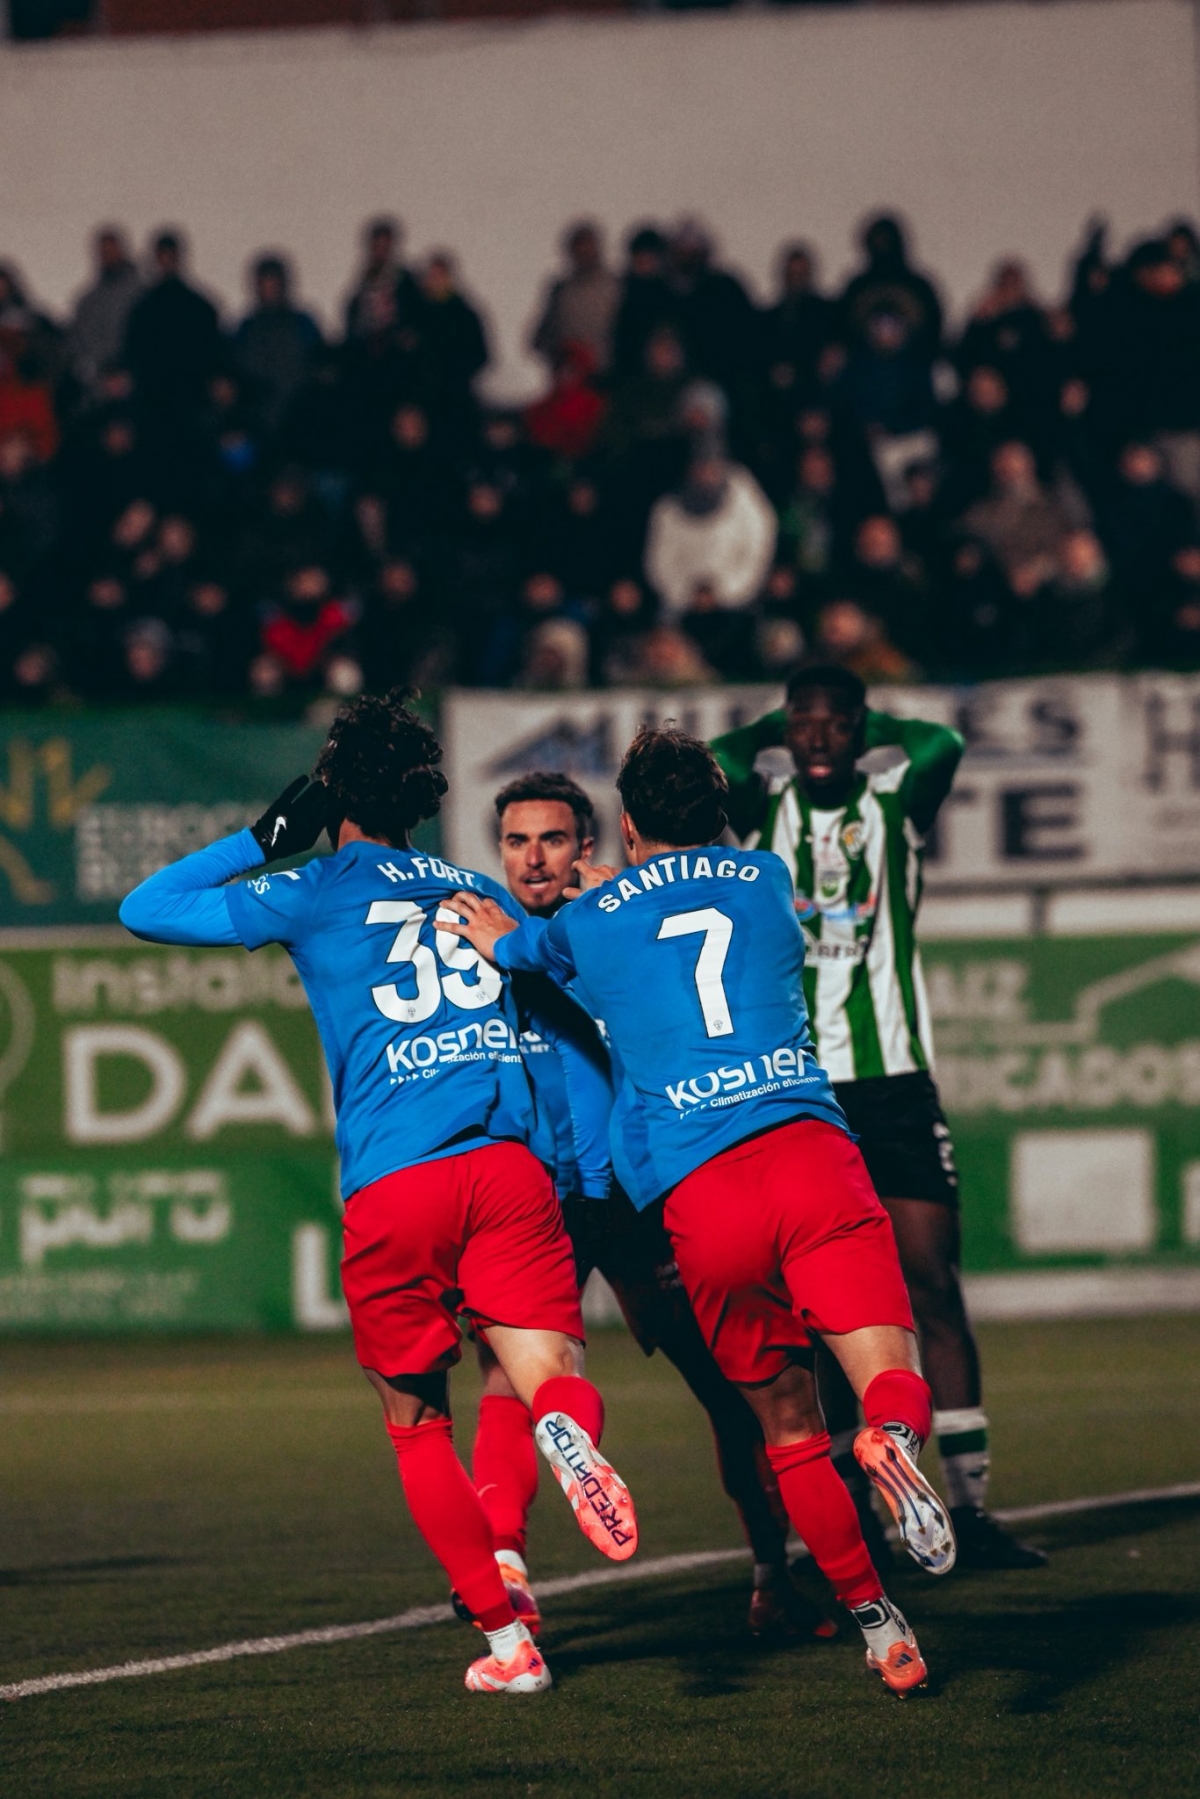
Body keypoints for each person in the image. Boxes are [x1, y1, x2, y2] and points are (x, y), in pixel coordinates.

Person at [118, 691, 638, 1697]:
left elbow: (148, 906)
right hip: (507, 1168)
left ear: (331, 792)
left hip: (399, 1177)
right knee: (542, 1369)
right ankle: (566, 1433)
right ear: (422, 794)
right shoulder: (472, 886)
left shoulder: (313, 885)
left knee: (416, 1420)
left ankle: (506, 1643)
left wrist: (269, 830)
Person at [447, 727, 957, 1699]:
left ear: (625, 822)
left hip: (700, 1194)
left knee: (783, 1423)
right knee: (882, 1371)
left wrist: (538, 921)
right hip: (809, 1157)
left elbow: (523, 945)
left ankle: (875, 1622)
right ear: (719, 814)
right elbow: (684, 890)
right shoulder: (764, 875)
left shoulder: (589, 924)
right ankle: (894, 1451)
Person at [472, 771, 829, 1640]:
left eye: (552, 839)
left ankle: (776, 1571)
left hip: (633, 1197)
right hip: (537, 1201)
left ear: (587, 844)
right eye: (517, 841)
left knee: (729, 1386)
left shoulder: (620, 924)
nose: (533, 858)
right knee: (507, 1381)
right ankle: (504, 1578)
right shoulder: (478, 936)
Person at [710, 666, 1047, 1569]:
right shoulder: (767, 804)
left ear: (859, 731)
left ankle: (969, 1512)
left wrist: (858, 717)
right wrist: (777, 722)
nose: (815, 740)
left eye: (834, 725)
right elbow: (714, 757)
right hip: (805, 1087)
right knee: (821, 1305)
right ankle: (862, 1509)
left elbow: (942, 741)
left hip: (894, 1080)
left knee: (932, 1282)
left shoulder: (898, 794)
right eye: (803, 726)